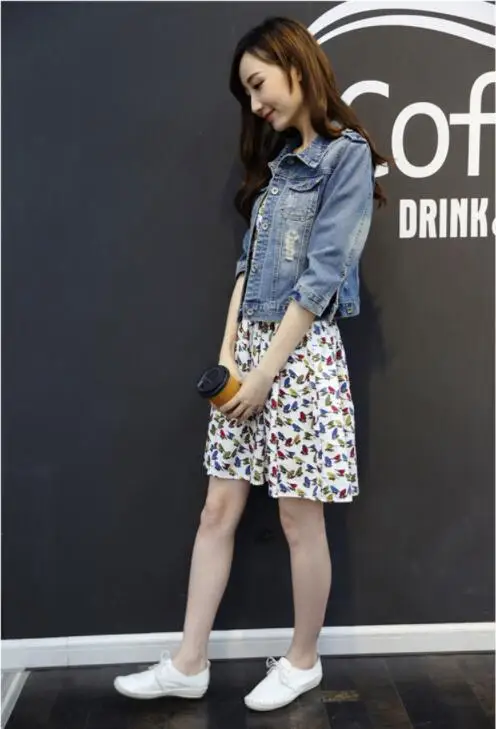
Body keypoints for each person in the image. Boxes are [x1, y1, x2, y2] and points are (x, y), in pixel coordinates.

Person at [114, 16, 389, 712]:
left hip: (300, 357)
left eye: (258, 84)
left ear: (295, 64)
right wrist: (229, 353)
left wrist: (266, 370)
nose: (256, 103)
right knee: (218, 508)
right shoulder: (278, 168)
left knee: (298, 518)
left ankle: (303, 660)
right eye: (247, 94)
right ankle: (189, 662)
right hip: (249, 357)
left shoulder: (347, 156)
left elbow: (322, 276)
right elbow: (246, 267)